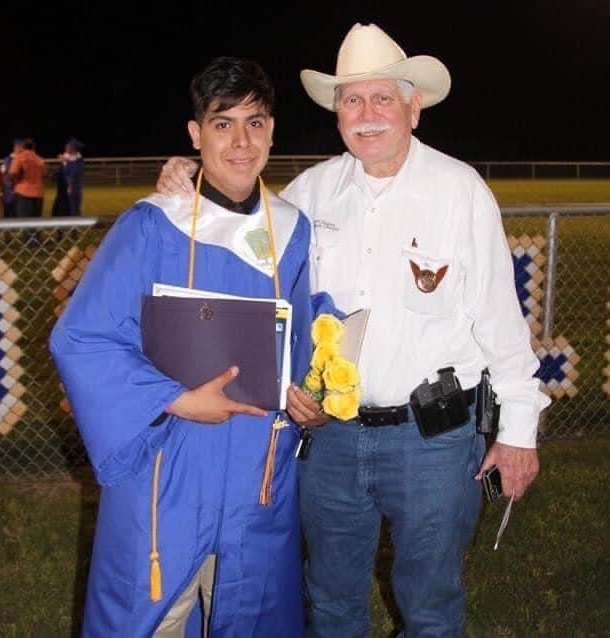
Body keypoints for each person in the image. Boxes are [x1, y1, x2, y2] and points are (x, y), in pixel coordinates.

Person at [156, 23, 550, 638]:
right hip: (330, 442)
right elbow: (244, 266)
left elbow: (502, 319)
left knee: (429, 606)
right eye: (350, 100)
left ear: (413, 107)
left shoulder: (459, 191)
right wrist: (188, 191)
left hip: (435, 442)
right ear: (336, 113)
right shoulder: (308, 194)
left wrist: (519, 431)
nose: (366, 114)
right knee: (330, 601)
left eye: (382, 98)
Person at [50, 57, 312, 637]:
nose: (242, 141)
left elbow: (309, 334)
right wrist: (175, 399)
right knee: (157, 619)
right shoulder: (152, 225)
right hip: (168, 466)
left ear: (272, 128)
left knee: (251, 615)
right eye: (223, 124)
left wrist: (311, 393)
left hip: (257, 472)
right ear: (195, 135)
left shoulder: (295, 230)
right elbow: (83, 337)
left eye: (256, 122)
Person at [8, 137, 46, 218]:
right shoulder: (40, 159)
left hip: (23, 193)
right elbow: (44, 175)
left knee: (25, 221)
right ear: (34, 147)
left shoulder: (19, 157)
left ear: (23, 147)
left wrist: (12, 183)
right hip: (38, 193)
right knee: (35, 221)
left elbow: (13, 173)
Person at [1, 138, 24, 218]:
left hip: (20, 189)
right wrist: (7, 182)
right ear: (14, 147)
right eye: (18, 146)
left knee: (19, 211)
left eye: (21, 146)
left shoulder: (24, 158)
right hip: (9, 190)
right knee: (8, 210)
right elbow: (3, 173)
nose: (20, 148)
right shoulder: (7, 159)